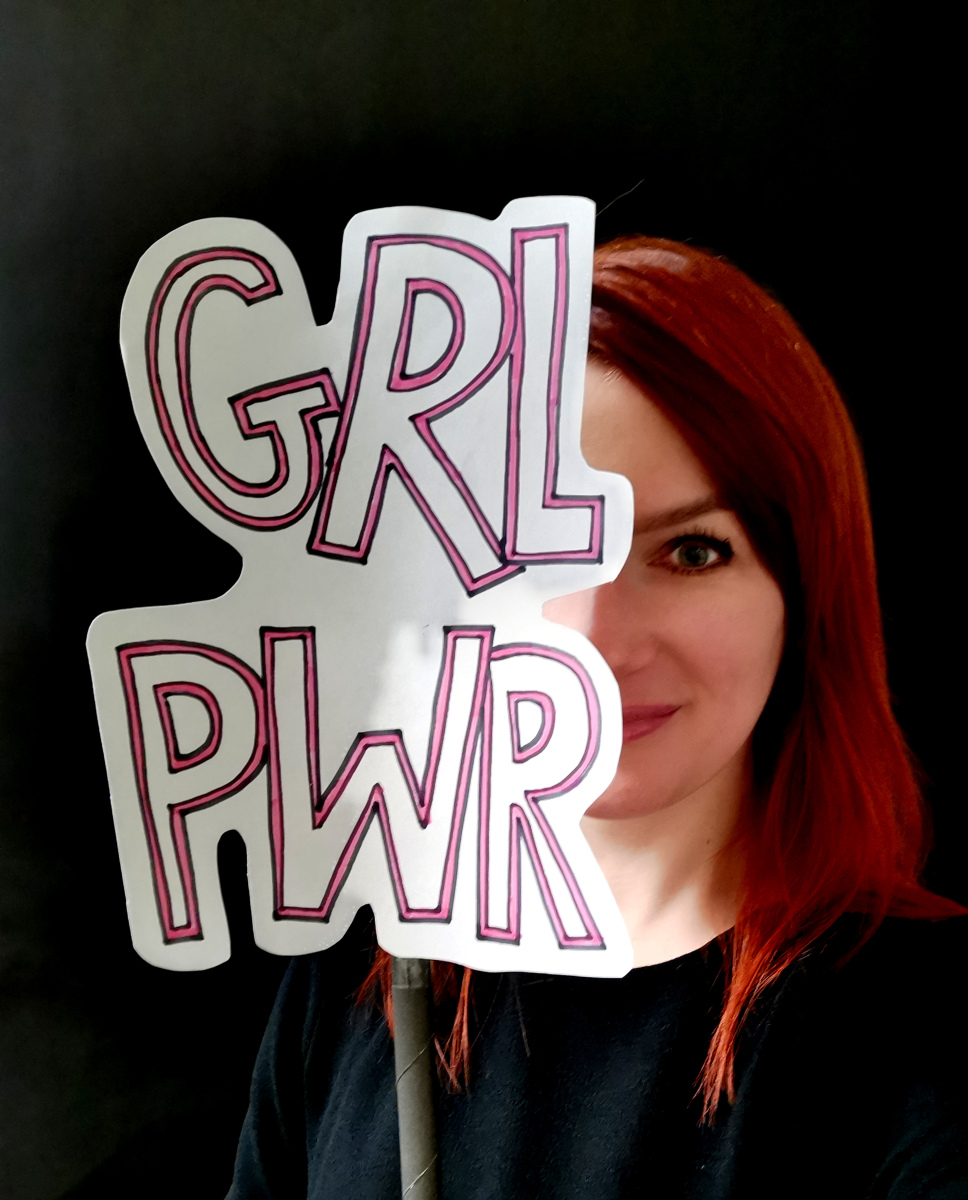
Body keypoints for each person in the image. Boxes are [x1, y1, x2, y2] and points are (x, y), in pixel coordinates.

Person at [227, 237, 967, 1199]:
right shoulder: (358, 975)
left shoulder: (929, 1029)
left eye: (690, 552)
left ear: (805, 589)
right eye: (536, 558)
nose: (597, 644)